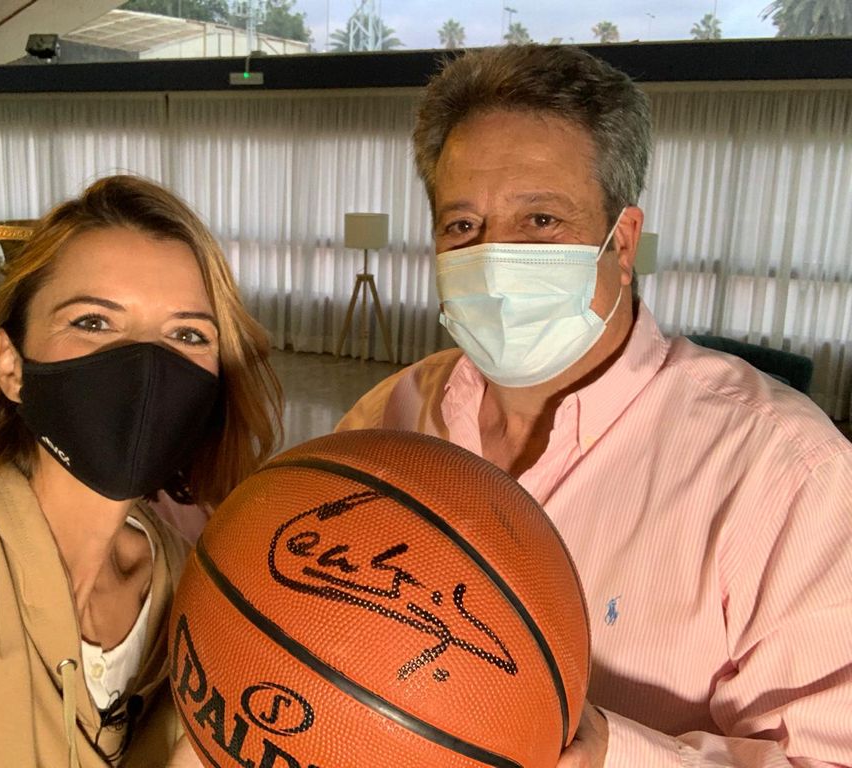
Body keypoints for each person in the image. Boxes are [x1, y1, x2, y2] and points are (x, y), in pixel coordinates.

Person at [336, 44, 852, 766]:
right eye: (462, 226)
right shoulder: (386, 418)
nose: (495, 256)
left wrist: (613, 754)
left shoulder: (786, 472)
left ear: (623, 243)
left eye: (542, 220)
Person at [0, 174, 283, 767]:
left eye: (187, 333)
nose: (147, 366)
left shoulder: (185, 577)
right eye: (93, 321)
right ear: (12, 366)